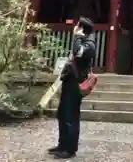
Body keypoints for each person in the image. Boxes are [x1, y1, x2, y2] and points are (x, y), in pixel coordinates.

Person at [48, 17, 96, 159]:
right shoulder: (82, 41)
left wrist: (76, 37)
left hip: (77, 84)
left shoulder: (89, 45)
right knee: (62, 114)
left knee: (71, 116)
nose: (75, 27)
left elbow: (77, 52)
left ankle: (70, 149)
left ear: (81, 28)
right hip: (69, 82)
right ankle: (62, 144)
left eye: (77, 25)